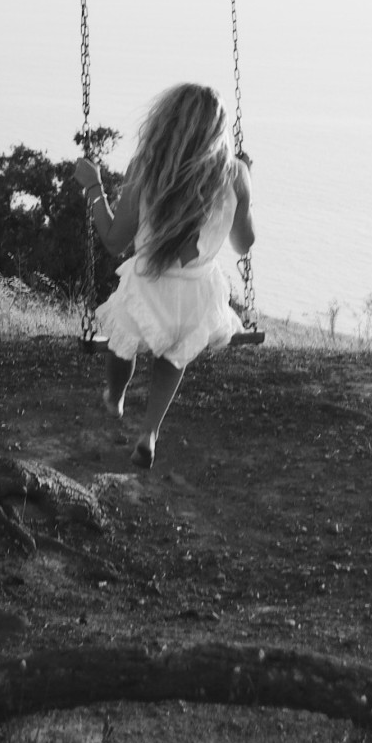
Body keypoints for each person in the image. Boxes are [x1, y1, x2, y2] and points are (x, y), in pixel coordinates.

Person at [72, 83, 255, 470]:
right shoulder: (235, 175)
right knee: (175, 355)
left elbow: (113, 239)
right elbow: (243, 244)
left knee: (123, 341)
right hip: (198, 296)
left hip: (147, 285)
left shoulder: (146, 168)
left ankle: (115, 395)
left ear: (166, 121)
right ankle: (150, 432)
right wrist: (245, 195)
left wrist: (93, 187)